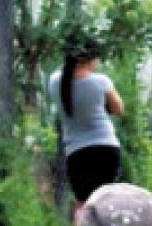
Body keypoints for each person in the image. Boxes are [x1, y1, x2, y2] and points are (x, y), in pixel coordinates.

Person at [48, 36, 124, 209]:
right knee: (106, 204)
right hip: (106, 150)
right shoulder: (101, 82)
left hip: (76, 152)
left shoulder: (54, 82)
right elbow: (118, 108)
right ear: (88, 59)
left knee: (83, 206)